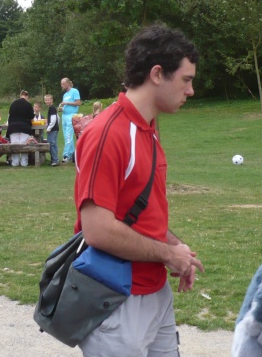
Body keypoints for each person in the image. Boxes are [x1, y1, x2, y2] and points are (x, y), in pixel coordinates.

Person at [74, 23, 204, 356]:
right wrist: (167, 254)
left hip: (156, 292)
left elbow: (142, 213)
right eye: (186, 80)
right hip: (116, 301)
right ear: (157, 74)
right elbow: (97, 230)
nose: (191, 91)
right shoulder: (108, 133)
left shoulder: (147, 128)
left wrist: (177, 249)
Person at [6, 90, 34, 167]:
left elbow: (10, 115)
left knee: (15, 145)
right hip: (25, 127)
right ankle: (24, 162)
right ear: (27, 96)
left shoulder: (13, 103)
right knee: (24, 144)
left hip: (13, 127)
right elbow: (32, 117)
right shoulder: (28, 105)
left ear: (20, 95)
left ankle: (15, 162)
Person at [59, 77, 81, 162]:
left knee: (69, 135)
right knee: (66, 136)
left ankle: (65, 155)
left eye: (63, 84)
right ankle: (72, 154)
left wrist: (67, 103)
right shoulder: (65, 95)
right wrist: (62, 108)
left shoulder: (74, 91)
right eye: (61, 84)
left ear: (68, 83)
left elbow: (78, 103)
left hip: (71, 116)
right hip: (64, 116)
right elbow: (65, 106)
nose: (62, 85)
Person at [45, 94, 60, 166]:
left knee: (51, 144)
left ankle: (55, 160)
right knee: (54, 144)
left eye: (48, 100)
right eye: (46, 100)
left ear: (52, 100)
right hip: (55, 128)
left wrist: (49, 128)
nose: (47, 101)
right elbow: (58, 118)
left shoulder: (52, 108)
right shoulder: (53, 108)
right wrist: (57, 125)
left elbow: (54, 119)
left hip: (52, 129)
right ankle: (54, 159)